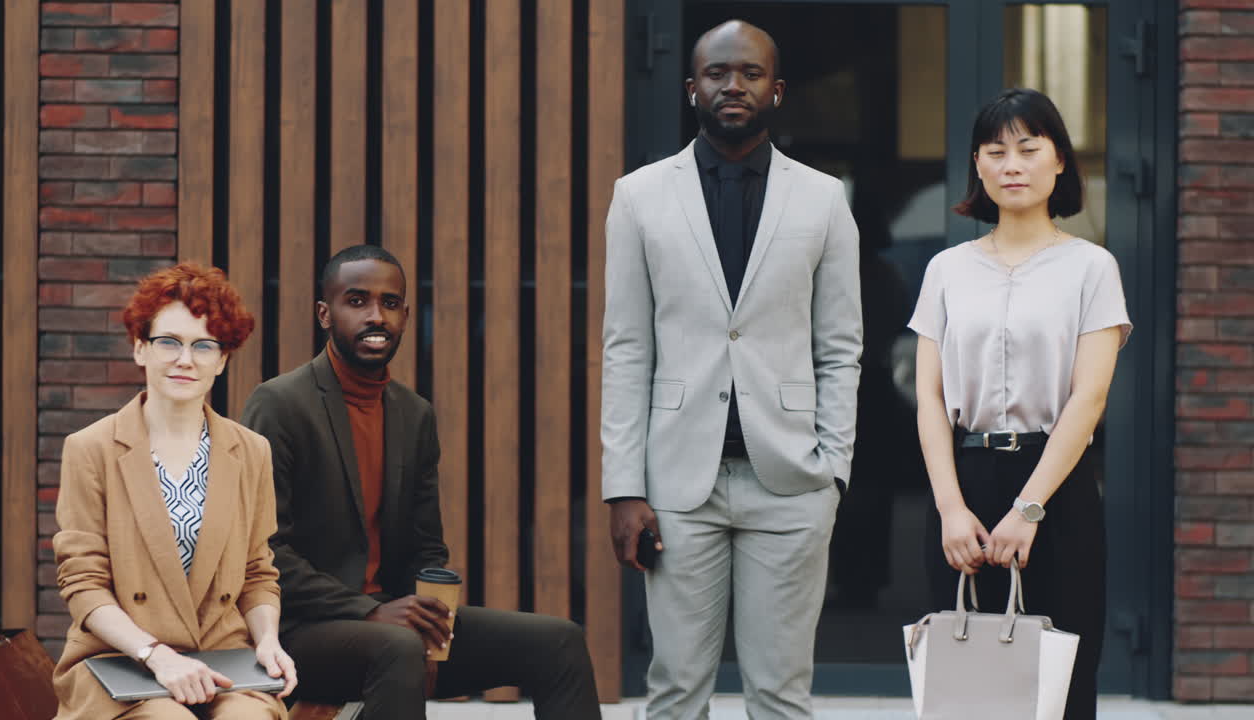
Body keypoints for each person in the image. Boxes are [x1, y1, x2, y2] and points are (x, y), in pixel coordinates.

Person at [601, 19, 862, 719]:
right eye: (718, 73)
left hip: (791, 480)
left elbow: (841, 346)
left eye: (750, 73)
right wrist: (623, 485)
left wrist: (833, 468)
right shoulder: (639, 197)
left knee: (780, 693)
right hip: (678, 483)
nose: (733, 85)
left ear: (776, 90)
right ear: (692, 88)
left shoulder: (823, 198)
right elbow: (626, 347)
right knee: (676, 690)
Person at [240, 244, 601, 720]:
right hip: (301, 628)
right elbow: (265, 550)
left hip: (394, 624)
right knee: (397, 647)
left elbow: (427, 547)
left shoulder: (414, 415)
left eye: (390, 304)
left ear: (407, 315)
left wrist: (432, 623)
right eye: (357, 301)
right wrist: (367, 611)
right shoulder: (280, 403)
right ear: (325, 314)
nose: (376, 316)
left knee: (560, 642)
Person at [909, 87, 1131, 720]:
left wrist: (1028, 508)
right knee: (967, 685)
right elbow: (929, 396)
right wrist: (951, 508)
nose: (1012, 164)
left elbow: (1088, 398)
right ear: (977, 165)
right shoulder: (947, 269)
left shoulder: (1092, 267)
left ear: (1059, 161)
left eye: (1029, 149)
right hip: (964, 486)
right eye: (995, 151)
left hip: (1055, 490)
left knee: (1060, 686)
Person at [52, 263, 296, 720]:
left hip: (223, 659)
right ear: (140, 349)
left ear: (222, 360)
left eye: (204, 346)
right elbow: (83, 584)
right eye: (170, 342)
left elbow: (258, 573)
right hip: (121, 662)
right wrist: (156, 655)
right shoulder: (90, 449)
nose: (186, 359)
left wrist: (267, 641)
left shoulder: (251, 452)